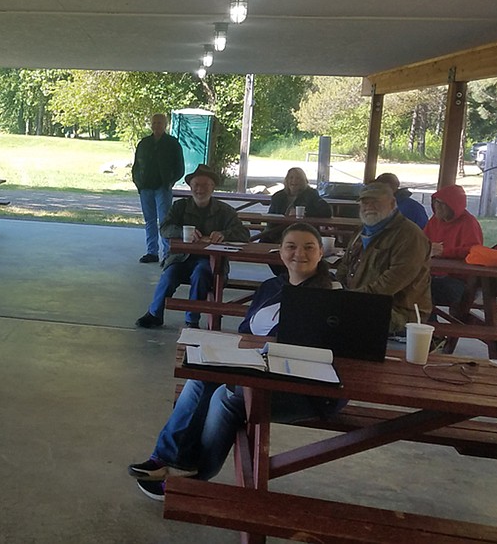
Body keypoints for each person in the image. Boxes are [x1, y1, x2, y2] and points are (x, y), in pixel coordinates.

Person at [129, 223, 341, 501]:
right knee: (201, 375)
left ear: (320, 253)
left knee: (226, 396)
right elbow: (245, 331)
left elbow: (335, 349)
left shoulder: (333, 295)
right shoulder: (271, 287)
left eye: (308, 247)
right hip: (259, 369)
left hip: (302, 385)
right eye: (291, 246)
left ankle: (194, 475)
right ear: (280, 253)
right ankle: (166, 458)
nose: (298, 253)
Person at [135, 164, 249, 329]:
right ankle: (154, 313)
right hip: (181, 258)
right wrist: (182, 232)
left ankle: (192, 319)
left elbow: (244, 234)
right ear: (190, 186)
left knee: (201, 274)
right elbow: (165, 228)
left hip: (210, 260)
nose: (200, 189)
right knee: (169, 275)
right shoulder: (180, 206)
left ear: (213, 187)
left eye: (205, 185)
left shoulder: (225, 211)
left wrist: (224, 234)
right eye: (196, 185)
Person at [335, 182, 431, 334]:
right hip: (359, 303)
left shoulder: (410, 235)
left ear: (393, 203)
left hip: (398, 311)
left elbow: (391, 282)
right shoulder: (361, 231)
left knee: (339, 320)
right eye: (365, 202)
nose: (369, 206)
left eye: (376, 202)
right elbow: (344, 267)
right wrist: (335, 290)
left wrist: (349, 300)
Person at [132, 113, 185, 264]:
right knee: (149, 221)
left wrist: (170, 181)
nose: (156, 125)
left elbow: (180, 167)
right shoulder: (144, 143)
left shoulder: (172, 144)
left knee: (164, 221)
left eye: (160, 123)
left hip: (163, 188)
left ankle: (168, 253)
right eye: (154, 123)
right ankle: (152, 252)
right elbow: (136, 166)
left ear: (165, 124)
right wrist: (138, 183)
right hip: (145, 188)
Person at [423, 184, 483, 308]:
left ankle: (428, 325)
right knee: (407, 286)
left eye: (441, 203)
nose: (436, 206)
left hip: (458, 281)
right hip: (431, 274)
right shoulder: (435, 220)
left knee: (421, 291)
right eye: (435, 202)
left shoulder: (469, 223)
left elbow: (474, 251)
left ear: (453, 205)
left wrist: (443, 252)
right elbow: (421, 241)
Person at [262, 167, 331, 244]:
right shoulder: (278, 196)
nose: (294, 181)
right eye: (291, 178)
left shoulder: (311, 194)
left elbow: (327, 212)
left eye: (298, 178)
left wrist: (304, 213)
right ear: (286, 180)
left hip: (303, 231)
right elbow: (271, 216)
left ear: (303, 181)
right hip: (278, 231)